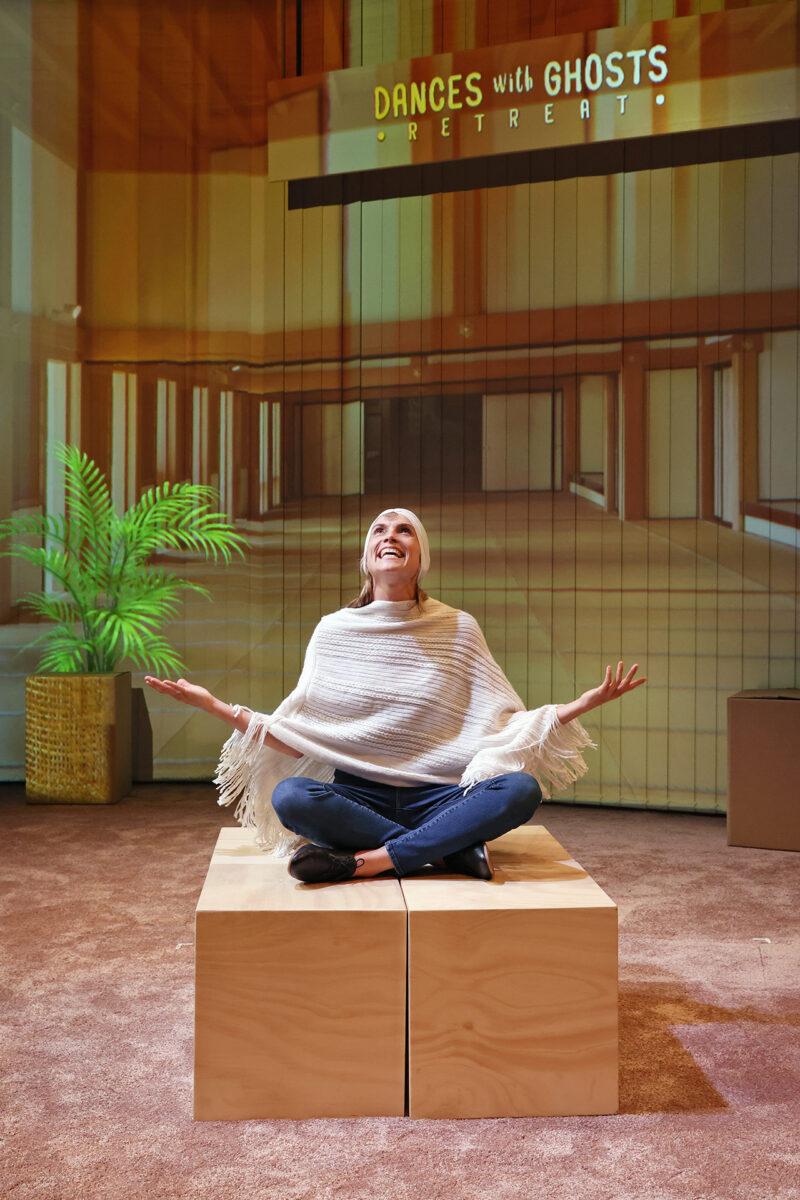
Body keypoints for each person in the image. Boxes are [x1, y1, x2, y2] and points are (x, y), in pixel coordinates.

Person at [146, 507, 645, 884]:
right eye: (379, 531)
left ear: (420, 556)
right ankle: (447, 852)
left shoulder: (458, 628)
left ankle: (369, 861)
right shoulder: (333, 631)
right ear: (367, 557)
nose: (390, 536)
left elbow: (502, 723)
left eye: (404, 530)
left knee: (519, 791)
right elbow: (300, 735)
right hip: (360, 794)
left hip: (442, 796)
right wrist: (214, 706)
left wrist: (579, 705)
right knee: (292, 797)